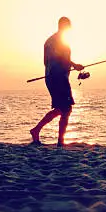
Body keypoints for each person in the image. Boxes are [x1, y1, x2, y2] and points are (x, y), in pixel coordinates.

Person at [30, 17, 84, 146]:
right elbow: (59, 58)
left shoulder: (51, 40)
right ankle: (60, 142)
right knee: (66, 109)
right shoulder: (57, 41)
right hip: (57, 78)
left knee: (62, 108)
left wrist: (69, 67)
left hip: (53, 77)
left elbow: (49, 61)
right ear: (64, 26)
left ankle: (37, 130)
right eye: (68, 27)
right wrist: (74, 65)